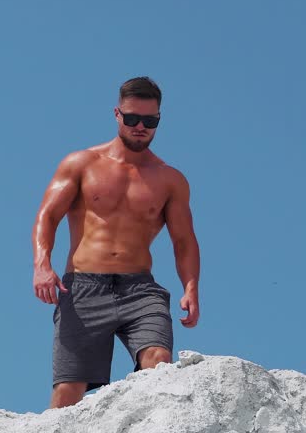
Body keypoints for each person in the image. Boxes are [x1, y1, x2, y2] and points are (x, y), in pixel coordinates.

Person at [31, 76, 201, 409]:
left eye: (150, 121)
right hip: (82, 287)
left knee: (160, 362)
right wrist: (41, 265)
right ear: (116, 115)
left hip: (140, 289)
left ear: (159, 121)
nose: (141, 127)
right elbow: (47, 216)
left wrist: (191, 286)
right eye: (132, 118)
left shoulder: (170, 180)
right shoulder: (81, 164)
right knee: (69, 390)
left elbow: (183, 240)